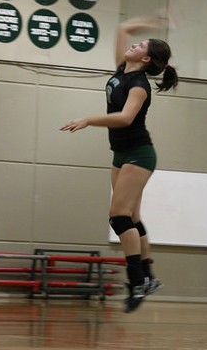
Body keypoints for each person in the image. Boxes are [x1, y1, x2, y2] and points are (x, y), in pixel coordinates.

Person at [60, 16, 178, 313]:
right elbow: (124, 28)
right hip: (121, 153)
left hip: (139, 153)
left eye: (140, 46)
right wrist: (158, 19)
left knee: (118, 217)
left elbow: (125, 118)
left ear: (146, 58)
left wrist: (88, 119)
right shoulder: (123, 69)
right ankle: (149, 277)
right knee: (132, 218)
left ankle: (136, 282)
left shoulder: (139, 85)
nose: (133, 45)